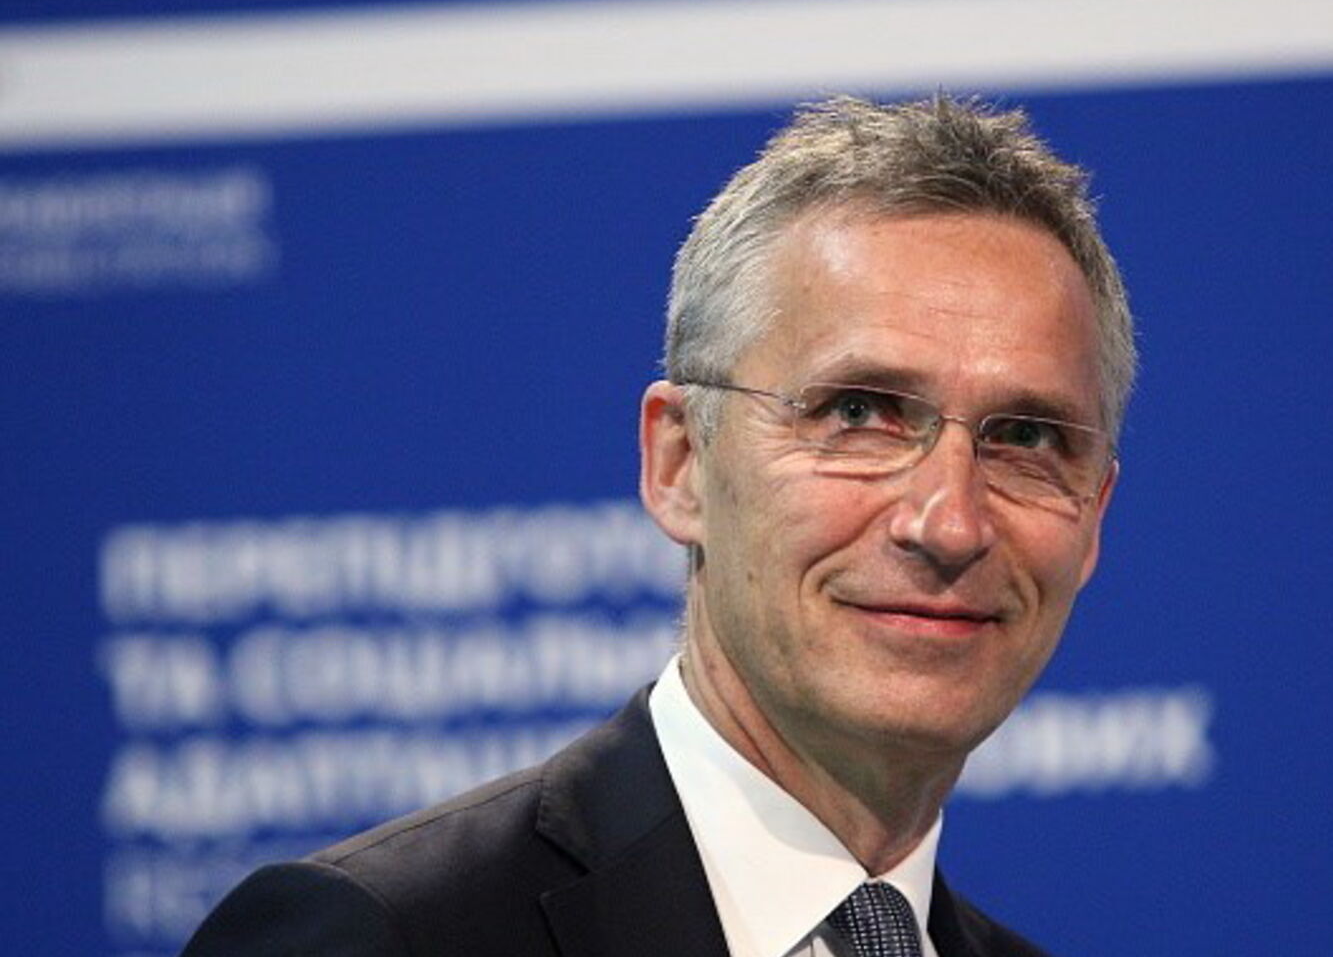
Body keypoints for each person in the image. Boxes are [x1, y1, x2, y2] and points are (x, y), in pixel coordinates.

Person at [181, 93, 1134, 957]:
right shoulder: (378, 937)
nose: (951, 522)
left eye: (1026, 436)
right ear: (680, 463)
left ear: (1093, 516)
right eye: (858, 413)